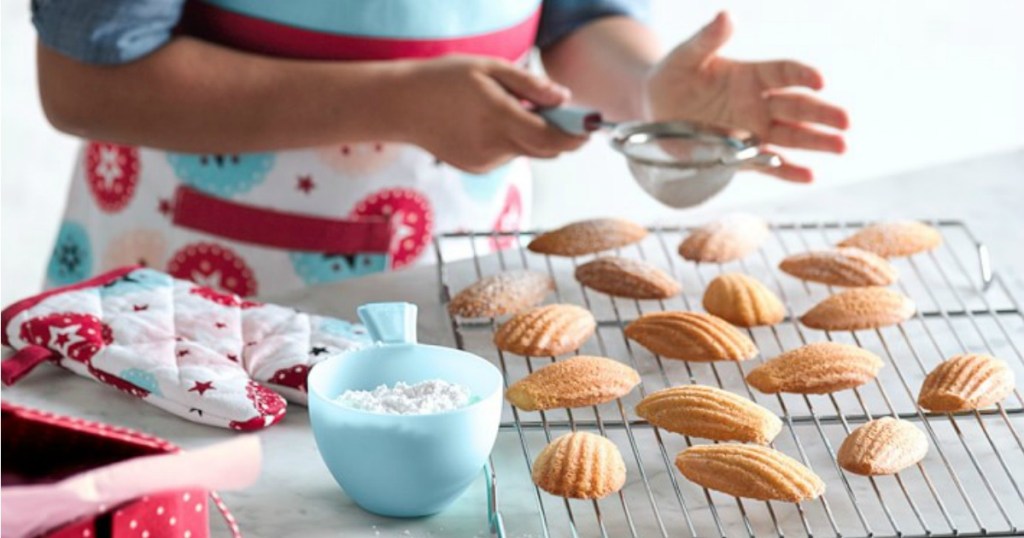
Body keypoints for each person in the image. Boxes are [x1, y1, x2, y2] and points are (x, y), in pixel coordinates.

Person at [33, 1, 847, 298]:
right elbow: (84, 83)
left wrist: (652, 94)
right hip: (183, 287)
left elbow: (577, 17)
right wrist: (401, 101)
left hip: (460, 274)